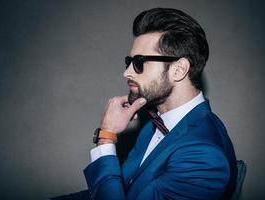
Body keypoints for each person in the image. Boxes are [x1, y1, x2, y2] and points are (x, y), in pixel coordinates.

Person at [50, 8, 237, 200]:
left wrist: (106, 136)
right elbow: (119, 190)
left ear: (179, 70)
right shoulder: (155, 123)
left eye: (139, 62)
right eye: (129, 61)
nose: (127, 72)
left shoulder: (203, 158)